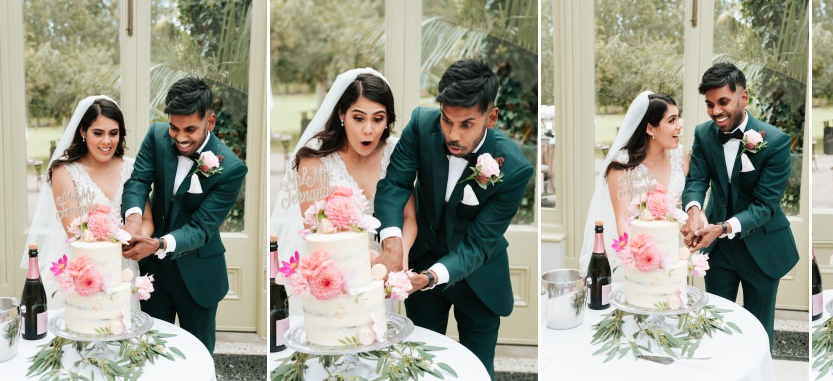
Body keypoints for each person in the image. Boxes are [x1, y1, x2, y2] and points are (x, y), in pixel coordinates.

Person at [373, 59, 533, 379]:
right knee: (420, 365)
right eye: (447, 121)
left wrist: (432, 276)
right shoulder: (421, 125)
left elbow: (478, 243)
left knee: (475, 371)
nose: (452, 134)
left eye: (466, 124)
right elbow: (395, 184)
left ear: (491, 117)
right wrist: (392, 242)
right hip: (420, 266)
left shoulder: (513, 167)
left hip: (478, 278)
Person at [120, 77, 248, 352]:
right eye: (174, 128)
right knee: (149, 350)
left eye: (190, 129)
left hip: (198, 274)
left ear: (210, 122)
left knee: (198, 355)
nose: (180, 137)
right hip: (152, 272)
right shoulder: (156, 136)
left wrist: (160, 243)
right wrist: (133, 220)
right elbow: (138, 181)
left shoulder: (232, 168)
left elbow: (202, 228)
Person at [681, 62, 798, 347]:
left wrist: (721, 228)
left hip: (762, 249)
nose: (716, 112)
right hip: (718, 251)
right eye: (709, 104)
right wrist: (695, 210)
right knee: (717, 327)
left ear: (743, 98)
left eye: (723, 102)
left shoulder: (777, 142)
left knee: (758, 333)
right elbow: (696, 179)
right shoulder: (703, 134)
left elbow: (765, 206)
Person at [269, 68, 417, 270]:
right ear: (341, 114)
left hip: (386, 268)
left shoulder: (396, 152)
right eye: (358, 118)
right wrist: (363, 262)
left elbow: (409, 217)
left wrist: (400, 254)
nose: (368, 130)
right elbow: (313, 230)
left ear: (387, 120)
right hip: (330, 268)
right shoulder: (314, 158)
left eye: (377, 119)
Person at [24, 96, 152, 306]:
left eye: (113, 133)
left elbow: (147, 219)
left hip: (124, 273)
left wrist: (137, 238)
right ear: (83, 132)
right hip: (81, 272)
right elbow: (73, 231)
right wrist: (119, 237)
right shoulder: (64, 172)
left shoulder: (132, 168)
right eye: (98, 133)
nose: (107, 141)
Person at [578, 91, 687, 272]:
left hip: (671, 253)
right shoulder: (622, 165)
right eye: (672, 120)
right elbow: (622, 220)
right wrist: (639, 258)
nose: (679, 126)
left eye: (678, 119)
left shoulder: (680, 155)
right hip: (635, 255)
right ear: (650, 128)